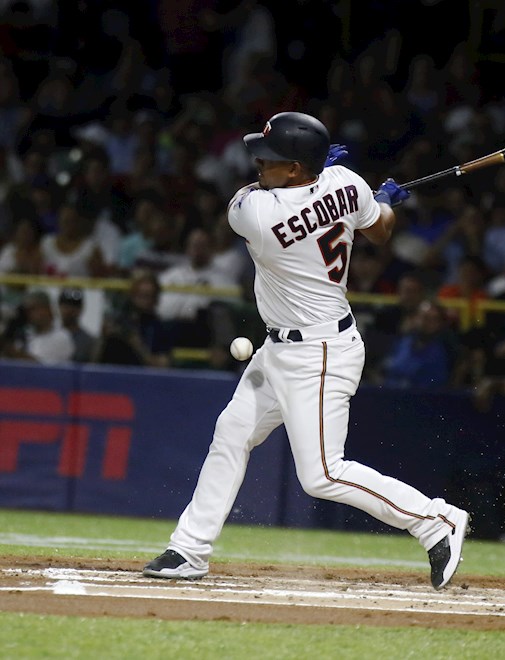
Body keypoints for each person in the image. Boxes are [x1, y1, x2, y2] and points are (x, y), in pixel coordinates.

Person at [142, 111, 469, 589]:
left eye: (270, 159)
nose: (258, 165)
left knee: (322, 474)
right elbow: (380, 230)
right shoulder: (347, 183)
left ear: (297, 167)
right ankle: (189, 549)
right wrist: (378, 200)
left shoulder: (257, 213)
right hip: (280, 347)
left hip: (319, 352)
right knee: (231, 434)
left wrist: (342, 187)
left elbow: (250, 198)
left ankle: (434, 520)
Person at [57, 288, 96, 363]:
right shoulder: (48, 336)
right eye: (66, 305)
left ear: (81, 308)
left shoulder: (89, 341)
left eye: (74, 305)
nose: (70, 309)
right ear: (59, 306)